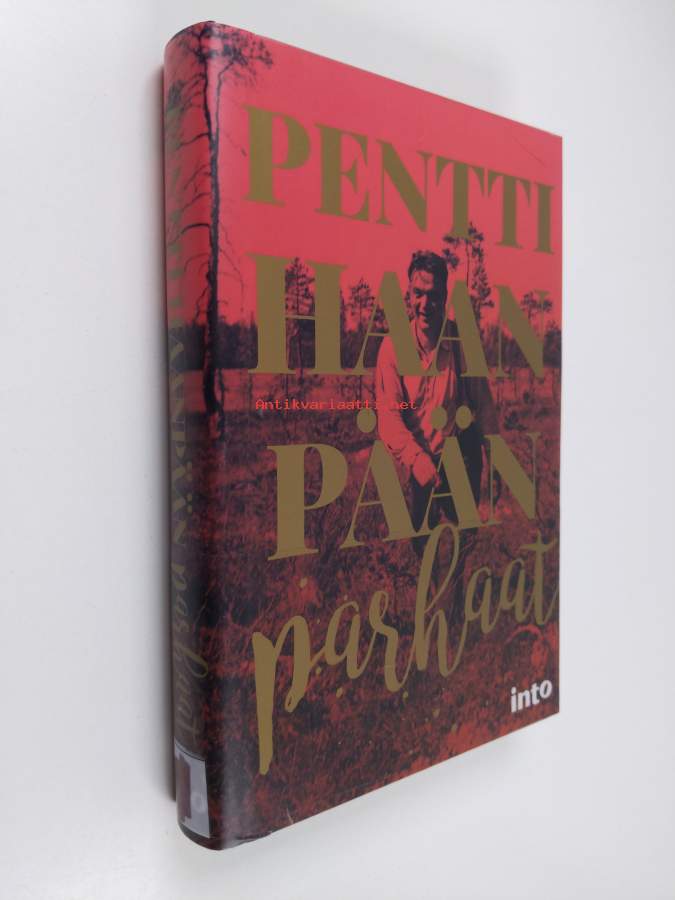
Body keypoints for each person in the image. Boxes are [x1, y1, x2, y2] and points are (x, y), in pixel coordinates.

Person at [375, 250, 499, 605]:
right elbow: (389, 417)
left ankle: (455, 606)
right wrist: (417, 460)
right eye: (418, 293)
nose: (425, 303)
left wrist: (496, 458)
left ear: (445, 296)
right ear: (408, 293)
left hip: (461, 451)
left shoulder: (462, 342)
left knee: (463, 535)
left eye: (433, 295)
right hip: (420, 457)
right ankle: (431, 601)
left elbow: (484, 403)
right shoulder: (392, 348)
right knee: (421, 538)